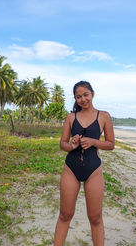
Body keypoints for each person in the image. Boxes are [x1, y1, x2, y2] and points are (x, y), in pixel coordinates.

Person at [54, 81, 115, 246]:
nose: (83, 99)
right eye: (78, 96)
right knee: (65, 215)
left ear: (92, 94)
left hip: (93, 170)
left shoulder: (104, 116)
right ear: (75, 98)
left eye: (86, 95)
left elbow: (111, 144)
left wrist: (94, 142)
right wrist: (72, 145)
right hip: (71, 169)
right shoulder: (71, 117)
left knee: (95, 218)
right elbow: (62, 144)